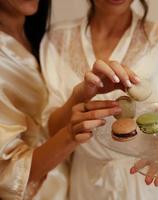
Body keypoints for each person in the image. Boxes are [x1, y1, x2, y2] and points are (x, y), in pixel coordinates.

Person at [40, 0, 158, 199]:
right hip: (86, 181)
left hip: (145, 182)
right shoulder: (57, 40)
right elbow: (53, 132)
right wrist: (79, 97)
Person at [0, 1, 121, 199]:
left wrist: (80, 96)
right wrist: (70, 135)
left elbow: (45, 125)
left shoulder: (41, 38)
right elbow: (9, 172)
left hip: (65, 187)